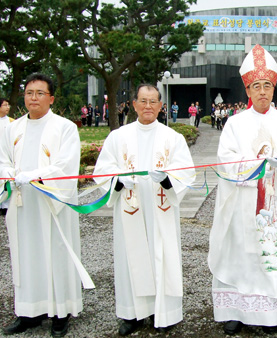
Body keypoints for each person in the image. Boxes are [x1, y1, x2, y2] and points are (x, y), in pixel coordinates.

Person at [208, 44, 277, 335]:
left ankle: (270, 316)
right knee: (241, 251)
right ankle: (236, 311)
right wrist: (254, 166)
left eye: (267, 85)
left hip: (275, 201)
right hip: (243, 200)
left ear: (273, 89)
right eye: (256, 86)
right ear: (247, 91)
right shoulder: (235, 123)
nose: (262, 91)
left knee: (271, 253)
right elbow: (225, 159)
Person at [93, 84, 195, 336]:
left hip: (161, 208)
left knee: (162, 256)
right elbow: (103, 170)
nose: (148, 106)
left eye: (153, 101)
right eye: (143, 101)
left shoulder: (173, 138)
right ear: (134, 104)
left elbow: (185, 172)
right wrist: (118, 180)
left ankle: (166, 313)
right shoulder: (118, 136)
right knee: (131, 258)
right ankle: (131, 313)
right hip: (131, 210)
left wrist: (167, 179)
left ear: (161, 106)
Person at [0, 73, 83, 337]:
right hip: (23, 204)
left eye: (40, 93)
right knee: (26, 255)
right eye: (29, 92)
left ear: (51, 98)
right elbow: (1, 161)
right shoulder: (13, 128)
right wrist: (11, 174)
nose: (34, 97)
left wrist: (35, 176)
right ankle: (29, 311)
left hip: (51, 202)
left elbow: (67, 166)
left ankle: (60, 313)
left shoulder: (64, 127)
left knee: (55, 253)